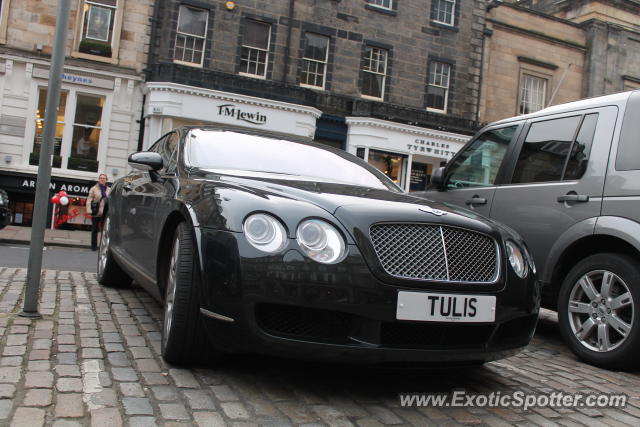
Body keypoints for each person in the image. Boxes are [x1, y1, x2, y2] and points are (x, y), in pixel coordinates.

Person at [87, 173, 110, 251]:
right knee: (94, 230)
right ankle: (93, 247)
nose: (102, 179)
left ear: (106, 180)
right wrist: (89, 210)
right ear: (99, 179)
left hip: (105, 213)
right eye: (100, 178)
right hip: (96, 212)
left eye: (104, 178)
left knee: (104, 231)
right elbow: (89, 199)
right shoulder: (94, 188)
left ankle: (102, 247)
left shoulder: (109, 190)